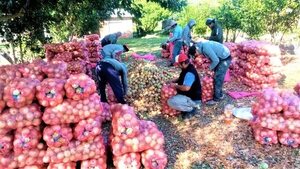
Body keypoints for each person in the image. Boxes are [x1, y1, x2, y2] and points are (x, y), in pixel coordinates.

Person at [188, 40, 231, 105]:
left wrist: (209, 69)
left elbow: (216, 60)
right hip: (220, 57)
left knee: (217, 77)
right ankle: (220, 94)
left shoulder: (205, 48)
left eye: (195, 54)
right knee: (216, 76)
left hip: (224, 58)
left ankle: (217, 99)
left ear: (196, 50)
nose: (196, 55)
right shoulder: (201, 46)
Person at [167, 53, 201, 119]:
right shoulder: (187, 68)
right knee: (174, 97)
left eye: (178, 64)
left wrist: (175, 86)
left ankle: (192, 109)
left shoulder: (189, 73)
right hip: (189, 95)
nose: (178, 66)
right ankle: (187, 105)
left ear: (183, 63)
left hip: (193, 98)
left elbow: (186, 88)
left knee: (170, 102)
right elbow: (182, 77)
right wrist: (174, 81)